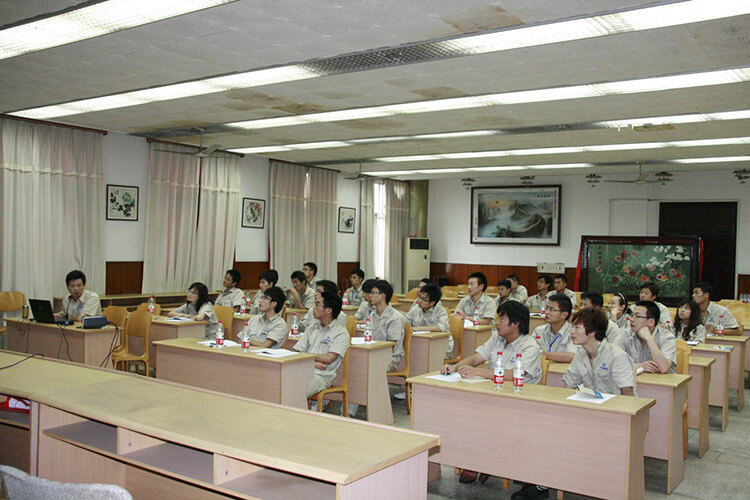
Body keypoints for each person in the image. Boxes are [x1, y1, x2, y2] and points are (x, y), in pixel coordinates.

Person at [443, 300, 541, 487]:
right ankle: (476, 461)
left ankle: (483, 462)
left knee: (483, 419)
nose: (496, 323)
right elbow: (476, 358)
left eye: (501, 318)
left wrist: (479, 372)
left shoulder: (529, 346)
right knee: (464, 413)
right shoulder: (497, 338)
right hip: (492, 395)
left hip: (519, 402)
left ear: (516, 323)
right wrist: (455, 367)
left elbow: (515, 375)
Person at [563, 307, 636, 396]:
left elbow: (628, 396)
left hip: (616, 403)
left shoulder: (617, 356)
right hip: (592, 402)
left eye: (577, 327)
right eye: (572, 327)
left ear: (592, 331)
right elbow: (568, 385)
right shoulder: (580, 354)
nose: (571, 331)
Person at [293, 291, 350, 401]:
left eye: (317, 304)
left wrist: (307, 357)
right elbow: (297, 353)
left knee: (295, 392)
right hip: (303, 369)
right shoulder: (311, 328)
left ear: (328, 310)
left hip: (320, 377)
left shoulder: (341, 333)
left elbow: (328, 358)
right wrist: (313, 363)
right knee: (279, 385)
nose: (313, 308)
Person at [613, 300, 676, 373]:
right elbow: (612, 362)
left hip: (662, 379)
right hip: (635, 378)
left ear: (651, 322)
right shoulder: (624, 334)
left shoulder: (667, 337)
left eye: (637, 316)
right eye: (632, 315)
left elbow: (663, 368)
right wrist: (639, 366)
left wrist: (649, 339)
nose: (631, 319)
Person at [405, 283, 452, 357]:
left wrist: (418, 329)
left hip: (440, 345)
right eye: (419, 297)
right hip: (422, 344)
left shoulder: (440, 311)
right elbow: (405, 320)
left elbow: (441, 327)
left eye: (424, 299)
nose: (419, 301)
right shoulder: (416, 309)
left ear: (432, 303)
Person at [369, 280, 406, 371]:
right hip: (374, 353)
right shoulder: (372, 315)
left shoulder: (395, 317)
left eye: (373, 293)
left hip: (389, 358)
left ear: (383, 295)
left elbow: (391, 345)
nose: (370, 295)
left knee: (366, 367)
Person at [531, 293, 577, 363]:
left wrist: (540, 353)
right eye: (546, 308)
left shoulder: (573, 333)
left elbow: (571, 356)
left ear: (564, 315)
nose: (546, 312)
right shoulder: (539, 330)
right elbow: (528, 351)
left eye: (552, 309)